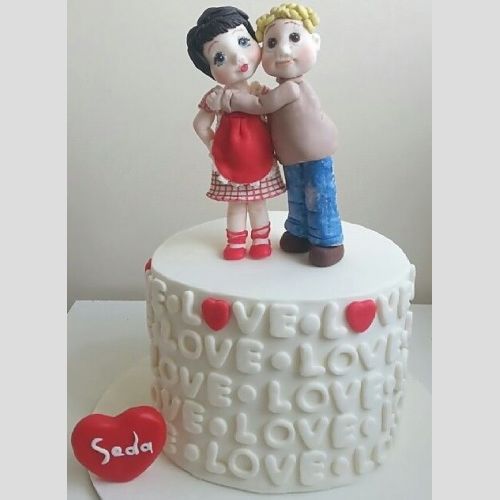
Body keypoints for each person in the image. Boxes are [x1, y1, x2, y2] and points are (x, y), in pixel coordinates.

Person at [206, 3, 344, 267]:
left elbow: (262, 106)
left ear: (315, 43)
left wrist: (232, 101)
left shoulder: (292, 88)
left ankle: (328, 240)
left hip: (313, 152)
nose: (283, 50)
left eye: (294, 38)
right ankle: (299, 231)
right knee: (297, 196)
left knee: (319, 196)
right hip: (290, 156)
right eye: (271, 43)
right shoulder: (278, 88)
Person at [187, 6, 286, 261]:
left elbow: (276, 120)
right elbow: (200, 124)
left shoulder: (260, 92)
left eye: (243, 42)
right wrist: (214, 145)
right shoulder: (216, 97)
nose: (238, 58)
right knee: (238, 205)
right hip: (230, 162)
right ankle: (236, 242)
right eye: (219, 57)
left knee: (257, 203)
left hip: (260, 158)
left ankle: (260, 240)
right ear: (209, 69)